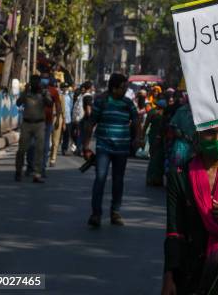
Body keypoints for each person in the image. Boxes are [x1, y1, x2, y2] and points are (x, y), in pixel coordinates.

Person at [161, 124, 218, 295]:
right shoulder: (180, 175)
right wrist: (169, 276)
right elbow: (174, 231)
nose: (217, 140)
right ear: (199, 134)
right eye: (210, 133)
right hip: (191, 269)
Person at [84, 73, 142, 228]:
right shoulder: (101, 102)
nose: (125, 90)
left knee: (118, 180)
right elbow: (91, 122)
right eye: (122, 87)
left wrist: (138, 138)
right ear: (114, 88)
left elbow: (136, 120)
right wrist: (86, 146)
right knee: (100, 179)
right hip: (103, 147)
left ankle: (115, 212)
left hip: (122, 148)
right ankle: (96, 213)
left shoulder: (128, 103)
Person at [15, 75, 53, 183]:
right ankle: (18, 171)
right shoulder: (27, 93)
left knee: (39, 150)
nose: (35, 84)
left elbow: (50, 104)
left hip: (39, 124)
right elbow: (18, 103)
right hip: (27, 124)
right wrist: (24, 92)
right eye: (33, 82)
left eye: (37, 82)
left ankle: (37, 173)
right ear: (31, 83)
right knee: (22, 149)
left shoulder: (44, 93)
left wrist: (45, 94)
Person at [145, 99, 166, 186]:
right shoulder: (154, 113)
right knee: (156, 158)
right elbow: (146, 124)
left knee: (158, 158)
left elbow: (146, 125)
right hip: (155, 138)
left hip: (160, 138)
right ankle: (153, 179)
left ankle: (156, 179)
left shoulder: (154, 112)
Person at [49, 79, 66, 166]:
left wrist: (63, 122)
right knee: (47, 140)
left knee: (55, 141)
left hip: (57, 118)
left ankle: (53, 159)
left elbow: (63, 109)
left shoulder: (60, 95)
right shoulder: (46, 93)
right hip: (47, 118)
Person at [60, 83, 74, 156]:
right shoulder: (59, 95)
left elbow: (71, 107)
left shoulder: (70, 96)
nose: (65, 88)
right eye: (64, 87)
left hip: (68, 118)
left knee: (66, 135)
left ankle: (64, 149)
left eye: (66, 87)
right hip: (60, 118)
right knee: (59, 134)